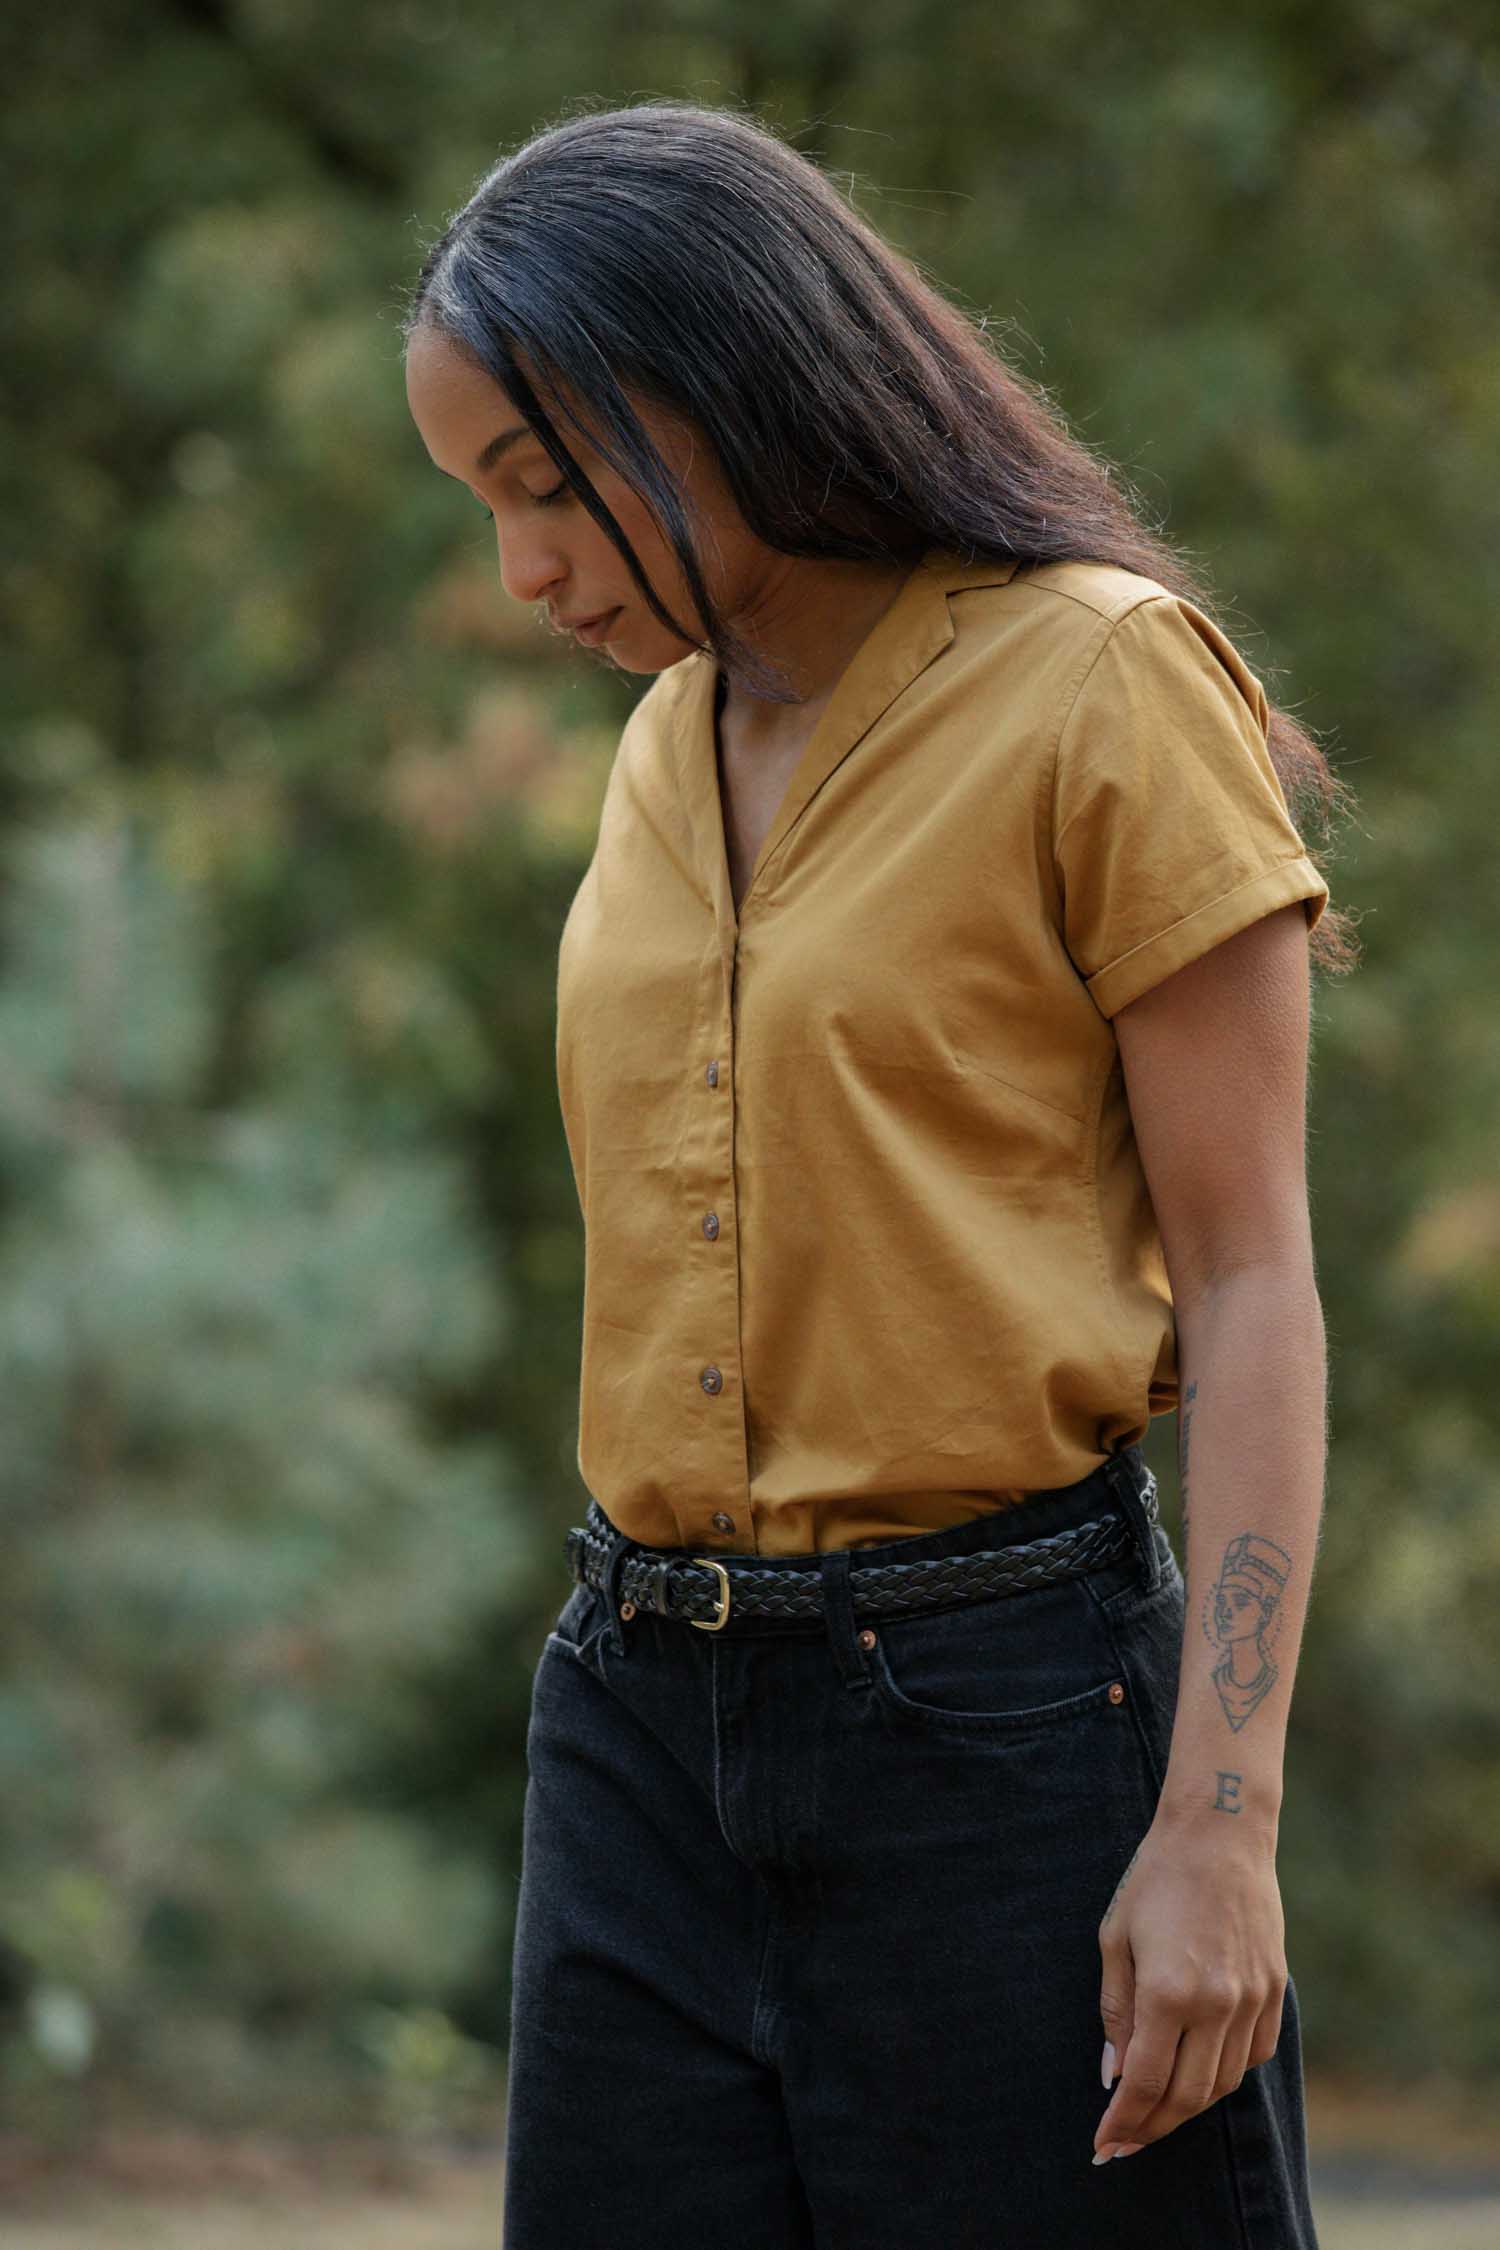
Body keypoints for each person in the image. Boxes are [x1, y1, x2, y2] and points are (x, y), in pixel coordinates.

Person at [402, 96, 1357, 2250]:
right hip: (635, 1720)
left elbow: (1255, 1285)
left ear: (720, 384)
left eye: (545, 487)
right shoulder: (665, 741)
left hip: (1002, 1730)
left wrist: (1219, 1822)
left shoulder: (1101, 683)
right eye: (481, 504)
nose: (522, 572)